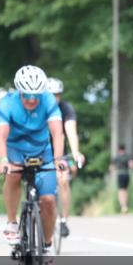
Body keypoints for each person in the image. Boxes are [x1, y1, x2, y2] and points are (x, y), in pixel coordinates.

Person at [0, 66, 67, 265]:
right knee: (12, 175)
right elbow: (0, 137)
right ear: (19, 91)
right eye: (27, 95)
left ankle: (47, 245)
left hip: (42, 151)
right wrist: (3, 160)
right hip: (15, 150)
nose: (32, 100)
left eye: (36, 95)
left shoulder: (48, 100)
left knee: (49, 201)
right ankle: (12, 222)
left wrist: (58, 158)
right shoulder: (7, 104)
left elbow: (58, 133)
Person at [48, 77, 85, 239]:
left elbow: (71, 132)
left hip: (59, 152)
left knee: (63, 179)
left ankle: (63, 220)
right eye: (51, 95)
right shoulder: (37, 108)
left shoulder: (66, 109)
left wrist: (75, 152)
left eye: (57, 95)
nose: (54, 98)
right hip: (40, 150)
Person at [110, 145, 133, 214]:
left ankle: (123, 206)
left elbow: (112, 167)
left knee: (121, 191)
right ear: (124, 149)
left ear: (118, 150)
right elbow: (132, 165)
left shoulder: (117, 157)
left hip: (120, 174)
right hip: (127, 174)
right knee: (125, 190)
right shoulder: (128, 156)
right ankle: (125, 206)